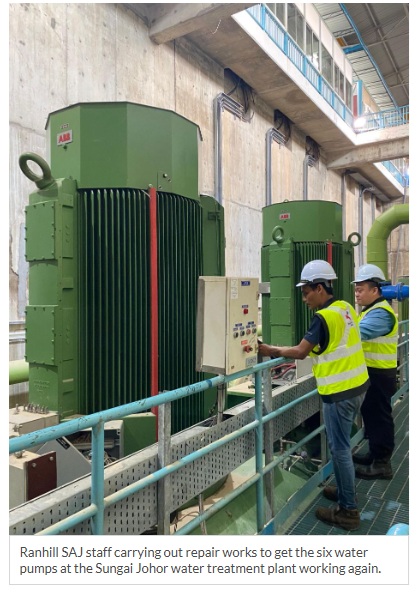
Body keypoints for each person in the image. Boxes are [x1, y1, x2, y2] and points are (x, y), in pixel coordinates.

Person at [258, 259, 369, 531]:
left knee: (340, 450)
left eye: (306, 292)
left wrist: (270, 350)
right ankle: (344, 491)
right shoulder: (345, 308)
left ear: (320, 288)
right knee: (343, 447)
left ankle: (348, 510)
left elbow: (301, 351)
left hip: (339, 394)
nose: (304, 299)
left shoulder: (322, 318)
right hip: (359, 387)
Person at [351, 264, 398, 480]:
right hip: (372, 373)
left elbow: (357, 334)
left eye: (361, 290)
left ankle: (382, 464)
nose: (357, 294)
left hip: (379, 374)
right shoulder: (370, 310)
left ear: (375, 290)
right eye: (356, 289)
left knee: (379, 418)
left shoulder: (381, 314)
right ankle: (374, 454)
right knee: (371, 415)